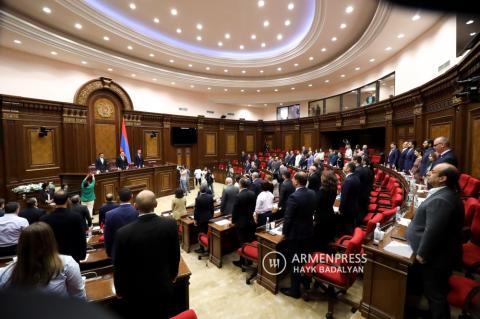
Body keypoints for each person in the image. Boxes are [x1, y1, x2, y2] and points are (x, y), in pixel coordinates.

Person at [407, 163, 464, 319]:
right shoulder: (446, 193)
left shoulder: (443, 199)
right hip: (438, 254)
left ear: (442, 178)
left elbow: (434, 230)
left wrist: (422, 254)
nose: (427, 173)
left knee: (435, 293)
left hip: (436, 257)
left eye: (432, 172)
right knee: (432, 290)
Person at [113, 190, 180, 319]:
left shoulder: (123, 233)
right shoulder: (170, 224)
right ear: (156, 204)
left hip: (136, 293)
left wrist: (119, 290)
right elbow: (175, 254)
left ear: (135, 206)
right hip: (163, 286)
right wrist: (173, 275)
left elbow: (119, 266)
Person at [0, 222, 86, 299]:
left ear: (21, 244)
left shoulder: (5, 272)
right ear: (51, 241)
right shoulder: (67, 263)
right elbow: (78, 296)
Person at [281, 172, 316, 299]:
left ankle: (294, 290)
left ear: (296, 181)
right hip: (308, 231)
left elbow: (288, 218)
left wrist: (284, 233)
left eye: (293, 179)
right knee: (304, 258)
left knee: (295, 262)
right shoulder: (312, 193)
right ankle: (306, 282)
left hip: (296, 235)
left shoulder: (294, 197)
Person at [40, 191, 86, 263]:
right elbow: (81, 237)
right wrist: (82, 255)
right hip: (73, 255)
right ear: (68, 200)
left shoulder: (44, 219)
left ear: (54, 201)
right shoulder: (76, 217)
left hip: (53, 257)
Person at [104, 188, 138, 257]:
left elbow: (108, 237)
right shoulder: (138, 212)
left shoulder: (109, 214)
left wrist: (109, 253)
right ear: (132, 196)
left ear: (118, 198)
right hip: (136, 251)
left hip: (118, 253)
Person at [231, 178, 257, 268]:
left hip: (240, 223)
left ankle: (242, 261)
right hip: (250, 221)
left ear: (240, 185)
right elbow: (254, 207)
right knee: (249, 241)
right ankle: (249, 260)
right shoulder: (252, 194)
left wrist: (233, 221)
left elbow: (235, 211)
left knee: (242, 242)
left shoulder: (239, 196)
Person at [314, 170, 339, 251]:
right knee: (327, 237)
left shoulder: (322, 191)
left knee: (320, 238)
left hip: (321, 217)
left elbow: (316, 205)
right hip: (330, 214)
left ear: (324, 179)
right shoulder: (334, 188)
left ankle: (319, 255)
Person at [339, 162, 360, 235]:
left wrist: (340, 209)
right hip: (354, 206)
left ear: (349, 169)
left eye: (345, 166)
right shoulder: (356, 177)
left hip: (348, 209)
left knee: (347, 228)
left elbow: (344, 197)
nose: (343, 167)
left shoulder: (348, 180)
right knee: (351, 225)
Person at [193, 184, 214, 253]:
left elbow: (196, 210)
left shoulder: (198, 199)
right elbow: (212, 208)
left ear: (200, 190)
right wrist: (211, 216)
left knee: (200, 232)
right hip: (209, 217)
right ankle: (209, 248)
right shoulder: (210, 197)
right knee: (207, 231)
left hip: (200, 219)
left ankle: (201, 248)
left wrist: (195, 219)